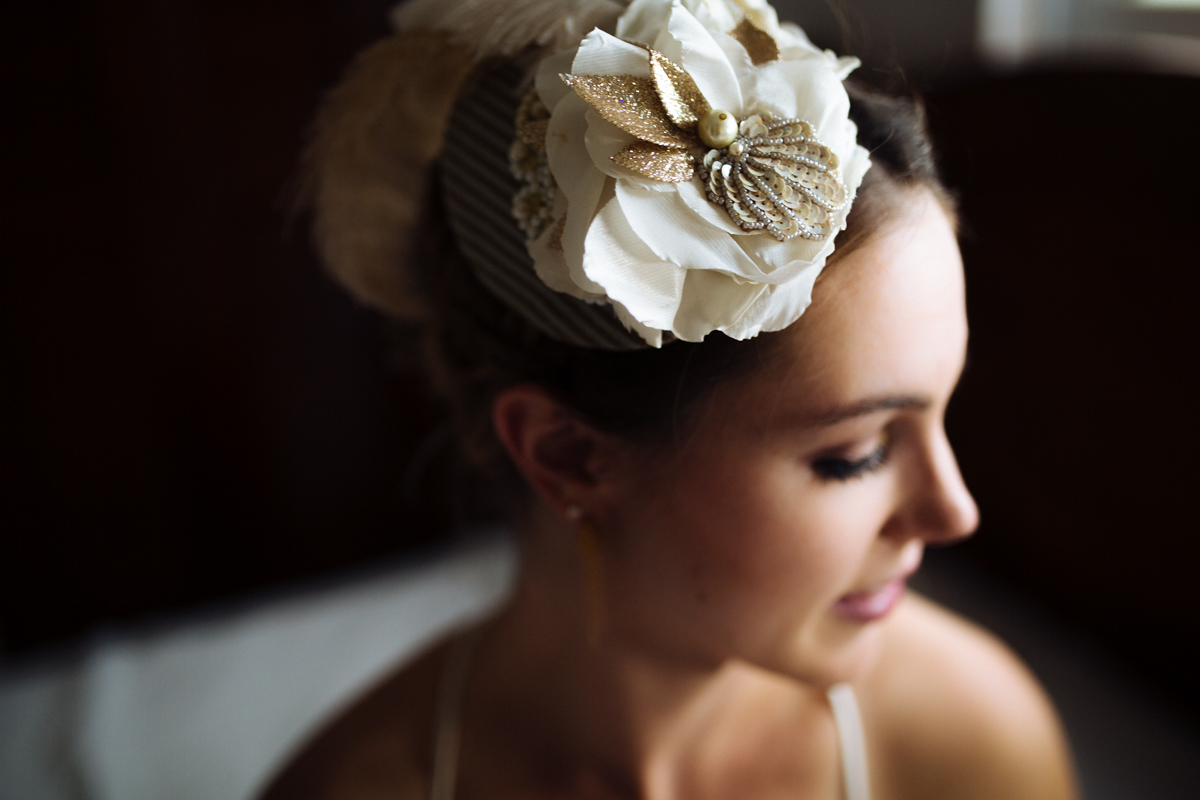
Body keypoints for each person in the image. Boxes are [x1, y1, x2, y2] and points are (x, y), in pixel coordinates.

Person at [262, 0, 1078, 797]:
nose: (952, 511)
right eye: (853, 456)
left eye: (940, 411)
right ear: (569, 455)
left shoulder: (970, 747)